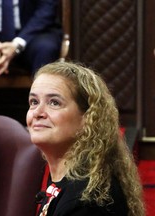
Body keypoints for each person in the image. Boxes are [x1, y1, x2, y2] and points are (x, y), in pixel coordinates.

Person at [26, 61, 145, 216]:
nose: (38, 112)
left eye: (54, 102)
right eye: (34, 102)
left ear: (88, 118)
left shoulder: (86, 201)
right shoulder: (69, 176)